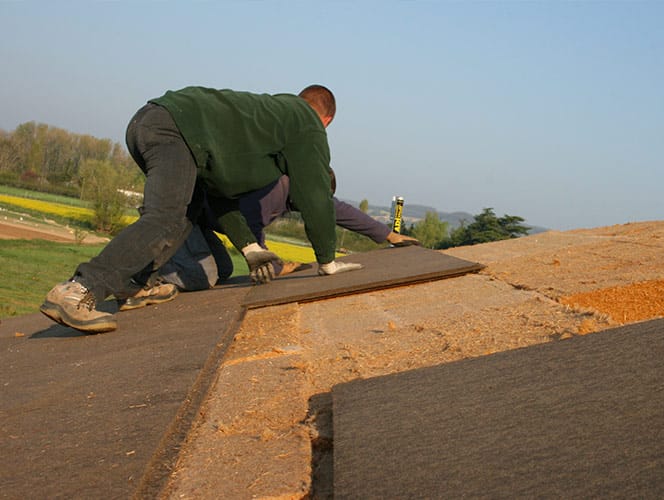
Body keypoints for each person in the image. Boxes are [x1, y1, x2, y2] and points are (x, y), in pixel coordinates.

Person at [41, 85, 361, 334]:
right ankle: (78, 291)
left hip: (151, 122)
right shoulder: (306, 123)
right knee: (165, 217)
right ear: (327, 120)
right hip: (173, 129)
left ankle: (133, 285)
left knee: (184, 214)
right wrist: (327, 261)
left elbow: (219, 193)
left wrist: (250, 248)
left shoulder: (259, 124)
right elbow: (316, 195)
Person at [149, 173, 419, 294]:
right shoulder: (276, 188)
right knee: (204, 277)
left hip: (201, 224)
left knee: (223, 270)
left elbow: (339, 211)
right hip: (179, 218)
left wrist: (387, 235)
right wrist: (276, 266)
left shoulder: (296, 189)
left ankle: (164, 265)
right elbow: (249, 230)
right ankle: (146, 273)